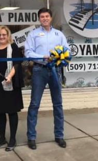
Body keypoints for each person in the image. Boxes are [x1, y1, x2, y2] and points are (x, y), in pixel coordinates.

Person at [25, 8, 69, 150]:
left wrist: (61, 58)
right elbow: (28, 52)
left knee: (58, 104)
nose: (44, 18)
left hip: (55, 71)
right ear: (39, 19)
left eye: (47, 16)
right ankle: (31, 137)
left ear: (51, 18)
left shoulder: (59, 34)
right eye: (42, 16)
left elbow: (66, 51)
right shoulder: (33, 34)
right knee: (34, 104)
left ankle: (59, 136)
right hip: (39, 70)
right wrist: (41, 57)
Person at [0, 26, 24, 152]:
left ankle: (12, 139)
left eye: (4, 34)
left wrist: (9, 77)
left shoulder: (13, 47)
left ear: (8, 35)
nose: (1, 37)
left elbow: (16, 64)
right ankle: (2, 138)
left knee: (12, 112)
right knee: (0, 112)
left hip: (9, 83)